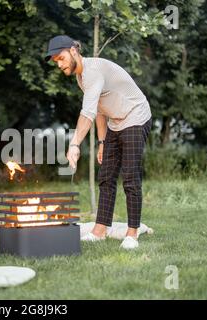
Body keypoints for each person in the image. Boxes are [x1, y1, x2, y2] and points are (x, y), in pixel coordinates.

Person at [45, 35, 152, 249]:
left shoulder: (92, 72)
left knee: (130, 177)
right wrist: (102, 141)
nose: (59, 64)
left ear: (74, 50)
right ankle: (100, 230)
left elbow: (88, 113)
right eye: (56, 61)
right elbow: (101, 109)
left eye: (61, 58)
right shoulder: (81, 77)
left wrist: (74, 144)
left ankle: (132, 234)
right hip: (115, 121)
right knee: (106, 177)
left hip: (135, 116)